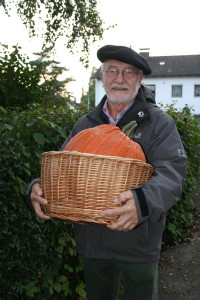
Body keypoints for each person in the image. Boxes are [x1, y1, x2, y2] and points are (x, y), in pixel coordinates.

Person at [28, 45, 188, 300]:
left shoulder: (158, 123)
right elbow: (63, 168)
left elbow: (172, 173)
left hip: (138, 241)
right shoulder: (85, 124)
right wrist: (38, 187)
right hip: (93, 243)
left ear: (140, 79)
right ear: (102, 76)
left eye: (129, 72)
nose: (120, 78)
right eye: (112, 70)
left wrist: (142, 201)